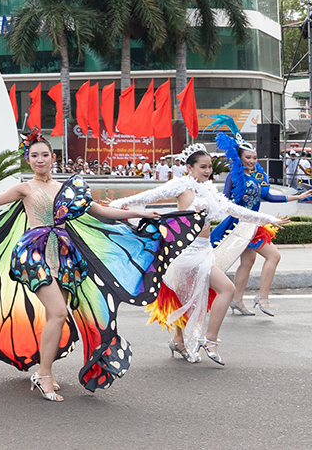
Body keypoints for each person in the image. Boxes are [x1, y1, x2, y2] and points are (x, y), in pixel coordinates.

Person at [0, 128, 203, 400]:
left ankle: (42, 367)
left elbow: (101, 213)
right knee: (59, 313)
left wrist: (140, 213)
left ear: (52, 158)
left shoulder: (66, 190)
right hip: (33, 255)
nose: (40, 160)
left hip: (62, 255)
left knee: (55, 316)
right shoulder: (24, 187)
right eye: (34, 156)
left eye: (45, 155)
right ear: (29, 160)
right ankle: (44, 375)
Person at [109, 144, 287, 364]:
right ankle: (210, 340)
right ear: (189, 167)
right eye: (202, 167)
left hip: (205, 250)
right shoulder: (181, 186)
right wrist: (116, 208)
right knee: (226, 289)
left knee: (191, 298)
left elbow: (234, 209)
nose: (207, 171)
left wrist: (268, 219)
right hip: (186, 251)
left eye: (210, 167)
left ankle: (178, 341)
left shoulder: (208, 190)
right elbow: (148, 195)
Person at [207, 116, 312, 317]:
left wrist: (297, 196)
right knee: (274, 255)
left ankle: (237, 300)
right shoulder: (234, 176)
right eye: (248, 158)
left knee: (247, 263)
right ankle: (262, 297)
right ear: (239, 158)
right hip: (240, 225)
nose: (253, 161)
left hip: (253, 225)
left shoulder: (255, 178)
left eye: (254, 157)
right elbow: (225, 202)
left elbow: (269, 196)